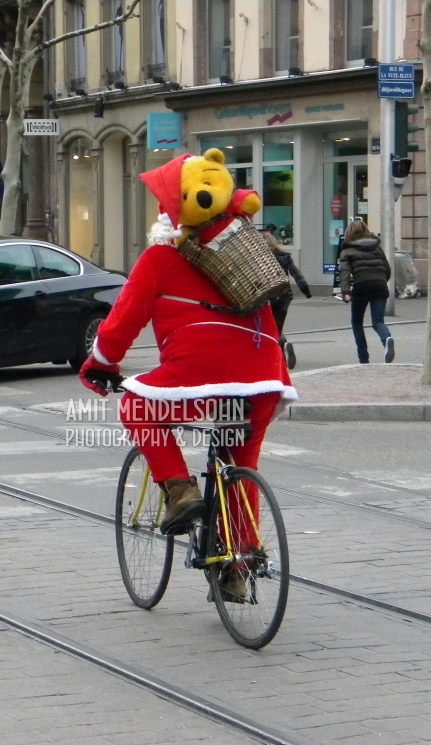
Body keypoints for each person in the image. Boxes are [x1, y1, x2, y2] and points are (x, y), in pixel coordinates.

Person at [78, 152, 297, 554]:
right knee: (240, 461)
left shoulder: (160, 258)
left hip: (201, 377)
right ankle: (240, 561)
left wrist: (101, 365)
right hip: (264, 376)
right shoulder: (245, 249)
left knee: (138, 409)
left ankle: (181, 492)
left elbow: (121, 323)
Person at [334, 219, 395, 364]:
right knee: (378, 321)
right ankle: (386, 338)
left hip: (361, 286)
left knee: (357, 322)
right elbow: (387, 269)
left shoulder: (347, 250)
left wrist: (345, 292)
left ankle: (363, 358)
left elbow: (344, 272)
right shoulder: (377, 247)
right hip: (380, 285)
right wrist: (381, 281)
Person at [262, 228, 312, 370]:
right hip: (284, 296)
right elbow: (297, 275)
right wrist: (306, 291)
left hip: (267, 297)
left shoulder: (260, 258)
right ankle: (283, 348)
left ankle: (281, 355)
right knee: (278, 326)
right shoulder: (284, 256)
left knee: (271, 329)